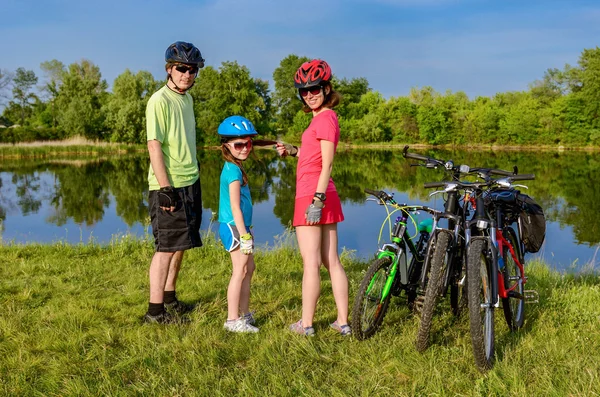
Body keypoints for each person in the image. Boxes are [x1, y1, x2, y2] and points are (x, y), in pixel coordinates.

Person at [276, 59, 350, 336]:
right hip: (320, 192)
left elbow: (327, 163)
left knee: (312, 262)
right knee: (331, 259)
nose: (309, 94)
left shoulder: (327, 117)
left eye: (314, 88)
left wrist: (316, 201)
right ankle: (342, 322)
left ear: (327, 87)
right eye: (304, 91)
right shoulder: (319, 119)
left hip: (313, 194)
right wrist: (294, 151)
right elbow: (314, 156)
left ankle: (306, 324)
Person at [144, 41, 205, 324]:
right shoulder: (159, 100)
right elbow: (154, 146)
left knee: (181, 244)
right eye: (182, 68)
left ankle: (170, 298)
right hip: (167, 187)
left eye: (193, 70)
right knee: (166, 247)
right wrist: (166, 188)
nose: (187, 74)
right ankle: (155, 312)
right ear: (170, 69)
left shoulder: (187, 99)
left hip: (190, 181)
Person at [218, 116, 259, 333]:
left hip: (242, 228)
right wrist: (244, 235)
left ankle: (244, 313)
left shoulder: (235, 165)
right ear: (226, 145)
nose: (245, 148)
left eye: (248, 143)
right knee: (239, 270)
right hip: (235, 228)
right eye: (239, 145)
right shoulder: (233, 170)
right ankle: (232, 320)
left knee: (248, 268)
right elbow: (235, 207)